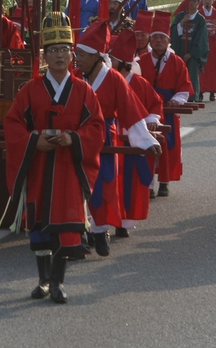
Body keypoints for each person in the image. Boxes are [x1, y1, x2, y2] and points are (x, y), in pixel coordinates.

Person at [3, 12, 105, 304]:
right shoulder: (30, 90)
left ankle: (58, 282)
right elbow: (12, 124)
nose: (60, 55)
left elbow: (96, 127)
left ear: (72, 54)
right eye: (53, 50)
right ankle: (43, 280)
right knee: (39, 225)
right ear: (44, 55)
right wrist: (34, 141)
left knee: (66, 226)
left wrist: (73, 138)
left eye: (65, 50)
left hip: (68, 169)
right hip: (39, 166)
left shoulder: (84, 90)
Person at [73, 20, 159, 256]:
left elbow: (131, 112)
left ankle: (100, 233)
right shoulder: (76, 78)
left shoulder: (114, 79)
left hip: (104, 138)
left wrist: (147, 141)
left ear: (95, 57)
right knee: (76, 186)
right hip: (77, 138)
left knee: (103, 186)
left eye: (81, 54)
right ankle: (78, 233)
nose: (76, 58)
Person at [109, 23, 165, 227]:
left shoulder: (139, 83)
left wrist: (151, 120)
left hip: (133, 141)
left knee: (130, 183)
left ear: (123, 63)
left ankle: (126, 222)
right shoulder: (107, 81)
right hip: (113, 138)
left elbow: (155, 104)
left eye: (113, 61)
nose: (109, 64)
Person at [137, 11, 193, 197]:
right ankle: (149, 184)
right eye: (155, 38)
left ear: (168, 41)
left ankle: (164, 182)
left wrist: (177, 100)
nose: (158, 41)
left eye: (162, 38)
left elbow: (184, 86)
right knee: (146, 145)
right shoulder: (141, 61)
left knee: (168, 148)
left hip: (168, 109)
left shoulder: (177, 62)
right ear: (150, 41)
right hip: (146, 110)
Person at [170, 0, 209, 103]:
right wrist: (182, 22)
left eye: (194, 1)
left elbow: (201, 39)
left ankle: (192, 96)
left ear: (198, 3)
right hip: (180, 49)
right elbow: (173, 31)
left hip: (192, 54)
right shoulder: (181, 15)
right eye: (190, 0)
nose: (191, 3)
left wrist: (191, 53)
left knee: (191, 73)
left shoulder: (200, 20)